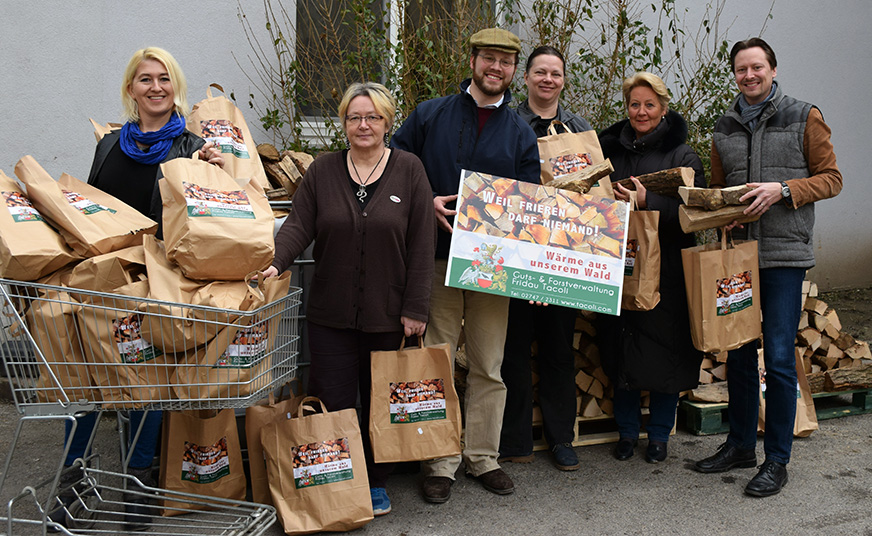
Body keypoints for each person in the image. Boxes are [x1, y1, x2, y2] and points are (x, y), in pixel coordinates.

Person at [55, 46, 223, 532]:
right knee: (86, 381)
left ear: (176, 88)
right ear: (131, 89)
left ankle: (137, 484)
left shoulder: (191, 147)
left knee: (143, 385)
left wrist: (211, 167)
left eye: (164, 79)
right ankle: (73, 479)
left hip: (156, 282)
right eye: (145, 79)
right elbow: (88, 208)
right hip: (102, 282)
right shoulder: (109, 145)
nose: (155, 87)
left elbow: (209, 215)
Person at [262, 82, 435, 516]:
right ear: (342, 123)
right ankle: (339, 482)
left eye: (373, 117)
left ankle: (374, 483)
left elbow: (420, 244)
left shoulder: (410, 169)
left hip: (388, 313)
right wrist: (276, 264)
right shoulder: (323, 170)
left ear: (387, 123)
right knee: (332, 402)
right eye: (355, 117)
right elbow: (299, 225)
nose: (364, 125)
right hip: (330, 314)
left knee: (379, 402)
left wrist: (416, 308)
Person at [391, 27, 539, 503]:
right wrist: (425, 202)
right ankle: (439, 461)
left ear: (513, 70)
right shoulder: (430, 115)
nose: (497, 68)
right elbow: (393, 167)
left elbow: (531, 206)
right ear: (472, 61)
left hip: (495, 266)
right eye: (489, 59)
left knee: (488, 365)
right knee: (435, 359)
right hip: (435, 257)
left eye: (506, 62)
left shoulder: (520, 131)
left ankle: (481, 457)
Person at [693, 38, 842, 497]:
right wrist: (722, 209)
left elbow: (832, 178)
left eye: (757, 67)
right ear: (735, 75)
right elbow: (720, 187)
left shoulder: (804, 115)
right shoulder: (724, 125)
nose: (749, 76)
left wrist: (782, 189)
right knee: (737, 354)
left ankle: (777, 459)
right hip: (737, 257)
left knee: (777, 359)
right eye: (741, 69)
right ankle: (739, 445)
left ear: (773, 70)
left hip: (783, 258)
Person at [597, 72, 705, 464]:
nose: (641, 112)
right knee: (621, 347)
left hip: (668, 272)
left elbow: (697, 215)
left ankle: (659, 435)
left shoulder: (683, 155)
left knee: (666, 352)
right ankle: (626, 433)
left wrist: (648, 203)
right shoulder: (609, 152)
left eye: (649, 105)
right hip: (620, 264)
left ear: (663, 108)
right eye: (634, 104)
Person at [497, 45, 592, 472]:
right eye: (540, 72)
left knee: (558, 350)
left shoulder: (579, 130)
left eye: (555, 73)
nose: (547, 79)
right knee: (512, 349)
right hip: (518, 251)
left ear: (563, 80)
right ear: (527, 77)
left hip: (564, 257)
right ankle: (514, 439)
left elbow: (596, 197)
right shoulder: (509, 123)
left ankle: (561, 439)